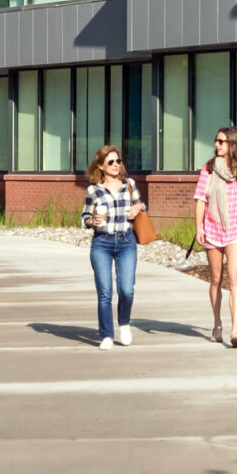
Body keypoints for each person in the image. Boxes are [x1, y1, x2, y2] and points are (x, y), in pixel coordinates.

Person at [194, 123, 237, 347]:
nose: (216, 144)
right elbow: (200, 199)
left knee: (234, 278)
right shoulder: (209, 169)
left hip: (236, 230)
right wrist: (199, 228)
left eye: (221, 141)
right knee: (216, 279)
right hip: (213, 229)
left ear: (232, 144)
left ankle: (235, 329)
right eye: (216, 140)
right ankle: (217, 324)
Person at [80, 143, 145, 351]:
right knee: (105, 292)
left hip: (126, 241)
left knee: (127, 290)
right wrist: (92, 222)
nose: (116, 165)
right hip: (102, 243)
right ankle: (106, 334)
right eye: (111, 162)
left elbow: (143, 206)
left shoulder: (129, 184)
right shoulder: (94, 190)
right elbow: (84, 217)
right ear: (100, 166)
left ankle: (124, 323)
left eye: (118, 161)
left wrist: (138, 207)